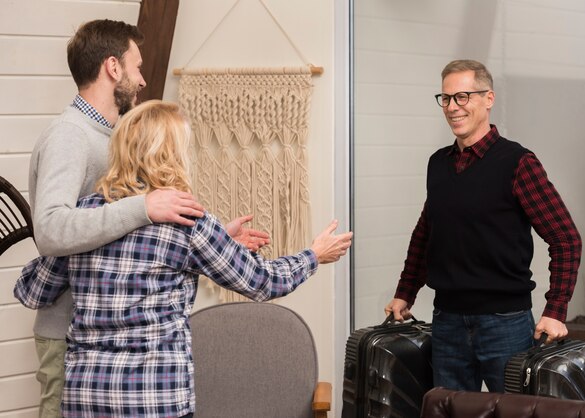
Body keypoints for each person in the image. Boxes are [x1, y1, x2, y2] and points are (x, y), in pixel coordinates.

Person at [15, 100, 353, 418]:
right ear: (169, 155)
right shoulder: (186, 222)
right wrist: (314, 255)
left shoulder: (86, 216)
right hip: (154, 397)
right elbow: (262, 282)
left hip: (88, 397)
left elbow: (31, 291)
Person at [28, 19, 268, 417]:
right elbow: (52, 231)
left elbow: (124, 239)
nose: (142, 80)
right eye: (137, 66)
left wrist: (208, 242)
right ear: (113, 67)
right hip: (72, 339)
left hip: (103, 345)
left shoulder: (111, 135)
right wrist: (144, 207)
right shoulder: (70, 135)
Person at [384, 59, 582, 393]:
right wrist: (406, 292)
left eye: (463, 97)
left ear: (488, 99)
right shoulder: (438, 164)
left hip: (505, 324)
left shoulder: (518, 163)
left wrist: (556, 311)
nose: (452, 107)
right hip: (447, 322)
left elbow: (566, 239)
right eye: (445, 98)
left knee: (518, 415)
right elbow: (426, 232)